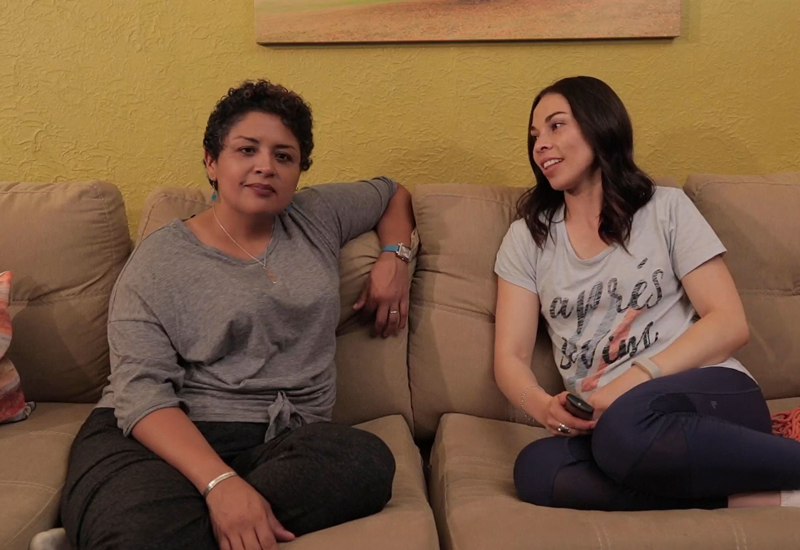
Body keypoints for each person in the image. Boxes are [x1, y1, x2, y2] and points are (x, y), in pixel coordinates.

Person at [60, 80, 415, 550]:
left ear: (298, 170)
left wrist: (396, 258)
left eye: (284, 156)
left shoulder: (317, 215)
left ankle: (172, 523)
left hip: (278, 442)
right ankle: (186, 511)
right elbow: (140, 392)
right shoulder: (160, 259)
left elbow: (393, 194)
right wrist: (218, 484)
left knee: (364, 462)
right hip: (165, 434)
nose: (265, 166)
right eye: (247, 150)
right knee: (140, 532)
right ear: (212, 162)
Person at [493, 76, 800, 511]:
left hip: (705, 394)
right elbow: (511, 357)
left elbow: (729, 323)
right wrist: (543, 407)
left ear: (600, 126)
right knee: (538, 470)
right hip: (608, 424)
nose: (540, 144)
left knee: (626, 428)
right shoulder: (528, 238)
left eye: (556, 126)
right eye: (534, 136)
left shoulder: (665, 209)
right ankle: (764, 498)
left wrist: (632, 381)